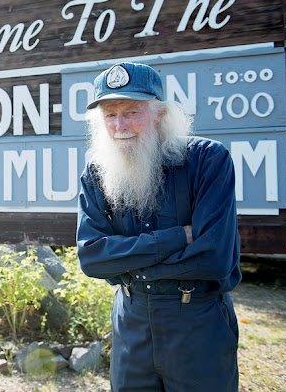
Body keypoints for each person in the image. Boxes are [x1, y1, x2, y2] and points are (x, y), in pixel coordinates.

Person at [75, 61, 242, 391]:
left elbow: (214, 259)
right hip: (131, 324)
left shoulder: (208, 160)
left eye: (132, 111)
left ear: (160, 114)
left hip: (196, 323)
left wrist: (126, 262)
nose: (120, 124)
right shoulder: (96, 173)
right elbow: (92, 258)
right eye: (110, 115)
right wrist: (178, 237)